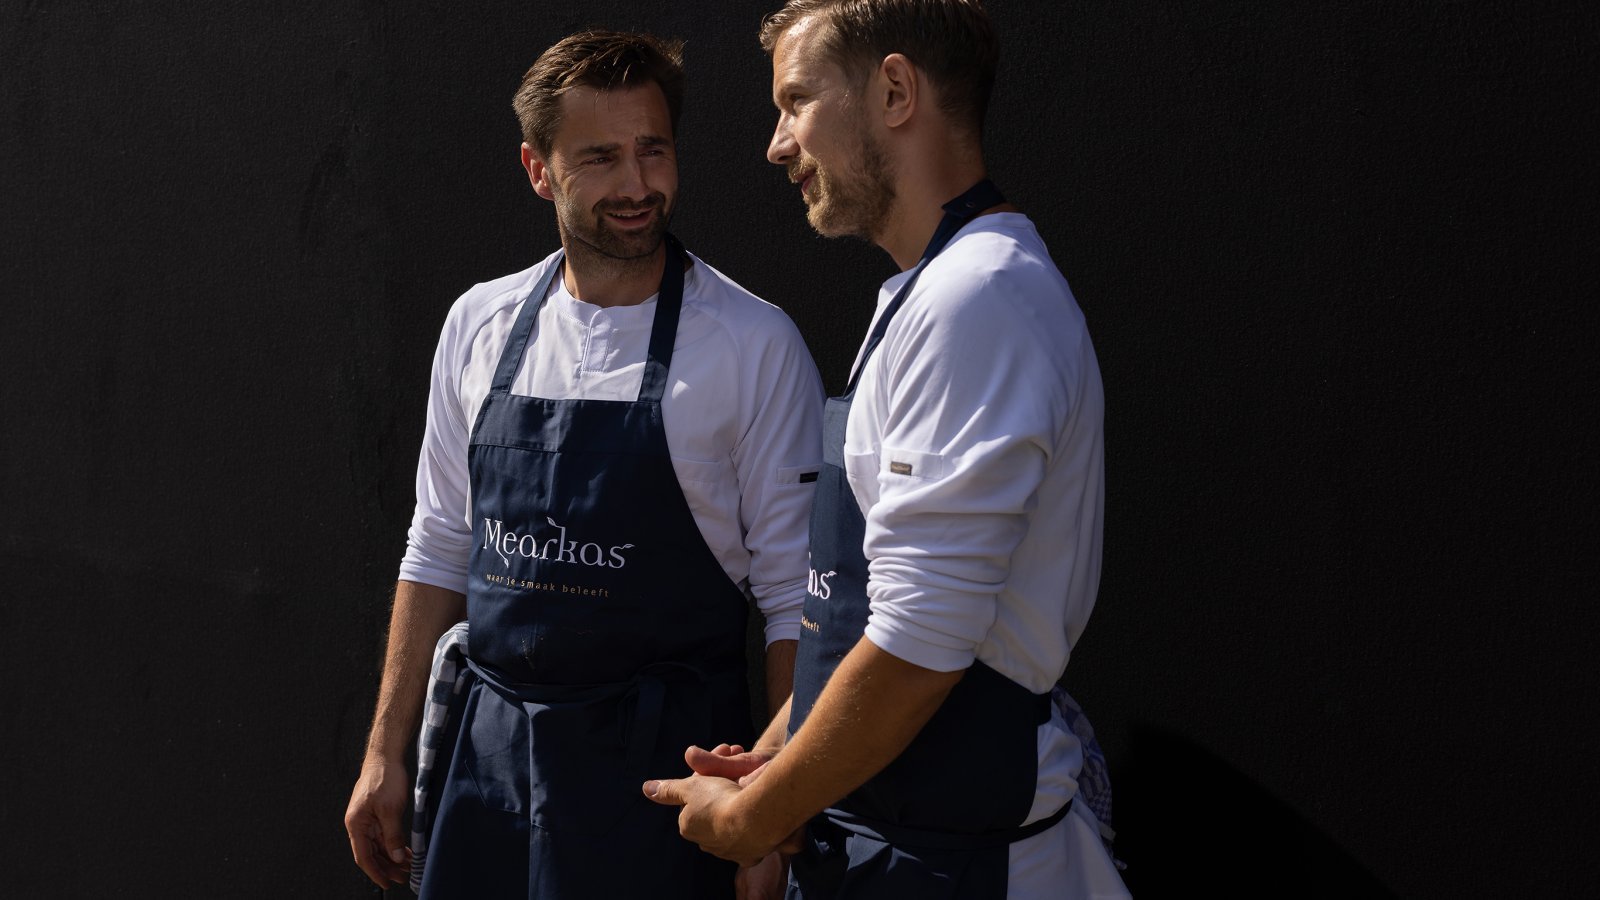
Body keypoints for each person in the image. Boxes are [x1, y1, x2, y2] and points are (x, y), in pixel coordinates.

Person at [644, 2, 1130, 897]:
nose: (777, 145)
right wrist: (776, 757)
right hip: (888, 842)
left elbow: (918, 645)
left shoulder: (978, 299)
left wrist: (757, 816)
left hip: (956, 862)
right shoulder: (926, 294)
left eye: (795, 102)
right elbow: (866, 611)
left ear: (895, 90)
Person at [343, 30, 824, 899]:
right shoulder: (478, 325)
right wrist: (385, 751)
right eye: (601, 158)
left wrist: (769, 811)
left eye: (654, 151)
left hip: (664, 787)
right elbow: (439, 545)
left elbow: (795, 601)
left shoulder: (753, 344)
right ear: (537, 168)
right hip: (485, 769)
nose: (638, 186)